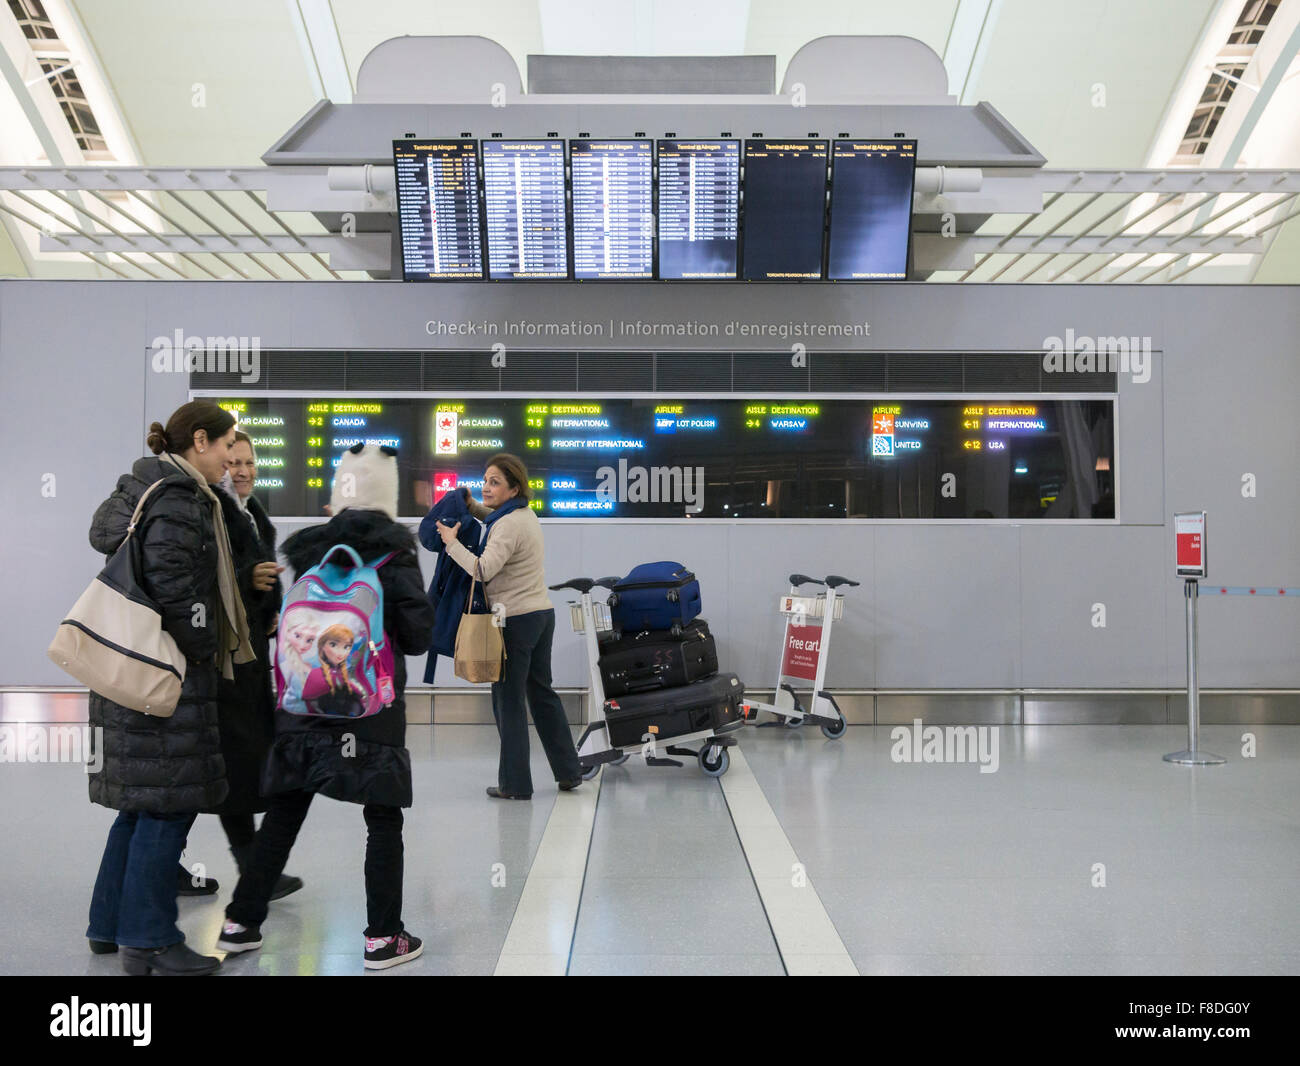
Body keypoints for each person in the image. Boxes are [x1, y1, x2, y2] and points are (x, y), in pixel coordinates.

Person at [217, 443, 434, 970]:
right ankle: (384, 938)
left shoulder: (311, 552)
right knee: (382, 820)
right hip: (369, 711)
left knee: (286, 813)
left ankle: (241, 922)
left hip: (301, 704)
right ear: (389, 498)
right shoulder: (394, 553)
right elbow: (418, 635)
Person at [85, 401, 256, 976]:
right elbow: (176, 589)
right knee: (168, 806)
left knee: (138, 806)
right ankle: (151, 939)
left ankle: (108, 926)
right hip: (169, 677)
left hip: (127, 671)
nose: (234, 458)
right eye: (228, 444)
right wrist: (206, 647)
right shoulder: (182, 500)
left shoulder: (138, 488)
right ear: (200, 441)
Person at [435, 453, 582, 800]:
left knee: (508, 702)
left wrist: (451, 543)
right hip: (541, 616)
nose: (486, 487)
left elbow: (483, 569)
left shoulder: (508, 525)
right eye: (485, 480)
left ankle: (515, 784)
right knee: (542, 694)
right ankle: (568, 770)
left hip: (514, 621)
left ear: (514, 488)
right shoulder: (522, 514)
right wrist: (473, 508)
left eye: (495, 482)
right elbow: (497, 522)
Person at [205, 431, 302, 900]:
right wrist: (250, 582)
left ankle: (251, 865)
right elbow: (210, 583)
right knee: (231, 761)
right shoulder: (212, 514)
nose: (241, 471)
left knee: (237, 761)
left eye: (249, 463)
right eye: (233, 462)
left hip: (248, 654)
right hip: (223, 659)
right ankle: (252, 865)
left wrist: (271, 608)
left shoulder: (251, 515)